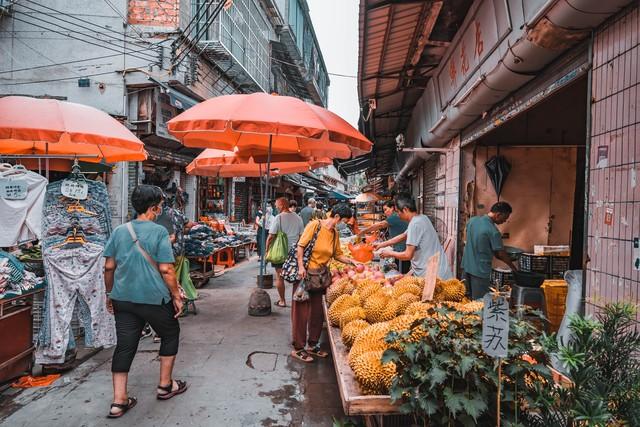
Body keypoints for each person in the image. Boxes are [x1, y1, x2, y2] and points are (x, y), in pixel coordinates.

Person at [103, 185, 187, 419]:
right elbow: (166, 269)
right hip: (154, 298)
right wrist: (176, 296)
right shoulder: (159, 232)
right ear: (153, 207)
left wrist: (109, 293)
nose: (161, 208)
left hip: (123, 299)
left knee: (125, 345)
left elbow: (109, 266)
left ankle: (119, 401)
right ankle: (165, 385)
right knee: (170, 334)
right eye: (160, 204)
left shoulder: (120, 231)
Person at [291, 203, 359, 363]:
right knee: (301, 313)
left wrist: (351, 261)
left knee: (317, 312)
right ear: (336, 217)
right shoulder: (315, 226)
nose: (344, 224)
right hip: (306, 275)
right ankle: (298, 348)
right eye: (343, 221)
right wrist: (301, 267)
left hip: (320, 276)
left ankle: (312, 345)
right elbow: (300, 246)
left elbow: (337, 255)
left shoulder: (334, 233)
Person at [377, 193, 452, 279]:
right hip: (438, 272)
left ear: (405, 210)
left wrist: (390, 253)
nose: (397, 215)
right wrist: (381, 245)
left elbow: (408, 255)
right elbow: (403, 236)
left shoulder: (415, 224)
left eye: (397, 211)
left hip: (434, 277)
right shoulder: (423, 218)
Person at [461, 201, 518, 300]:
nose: (504, 221)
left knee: (464, 300)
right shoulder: (493, 231)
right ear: (498, 214)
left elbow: (469, 238)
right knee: (479, 302)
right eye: (505, 218)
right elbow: (500, 254)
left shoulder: (472, 221)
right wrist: (513, 267)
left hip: (466, 267)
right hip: (480, 271)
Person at [266, 197, 304, 307]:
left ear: (282, 206)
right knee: (297, 277)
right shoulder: (298, 218)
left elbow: (271, 236)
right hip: (295, 252)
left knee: (279, 276)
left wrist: (267, 250)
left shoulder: (278, 218)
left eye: (277, 206)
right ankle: (297, 301)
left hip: (280, 252)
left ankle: (282, 301)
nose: (276, 208)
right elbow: (302, 236)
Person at [360, 200, 409, 273]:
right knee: (400, 270)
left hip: (402, 249)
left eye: (386, 209)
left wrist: (363, 231)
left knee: (402, 272)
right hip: (400, 248)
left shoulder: (394, 217)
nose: (385, 212)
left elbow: (380, 225)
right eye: (384, 210)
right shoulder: (395, 217)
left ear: (392, 208)